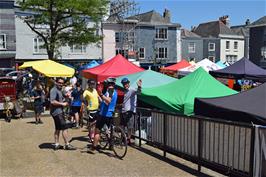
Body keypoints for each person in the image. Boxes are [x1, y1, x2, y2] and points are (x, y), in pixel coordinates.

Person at [50, 77, 76, 150]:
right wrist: (62, 104)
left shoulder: (59, 90)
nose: (61, 84)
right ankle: (67, 144)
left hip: (58, 112)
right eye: (59, 83)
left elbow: (62, 96)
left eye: (62, 83)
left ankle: (56, 144)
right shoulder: (54, 90)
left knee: (58, 128)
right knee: (64, 127)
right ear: (56, 82)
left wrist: (67, 95)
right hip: (57, 112)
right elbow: (52, 101)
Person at [91, 77, 118, 150]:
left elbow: (108, 101)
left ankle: (94, 147)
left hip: (104, 114)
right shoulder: (115, 91)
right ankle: (111, 144)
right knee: (108, 130)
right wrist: (100, 96)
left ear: (108, 83)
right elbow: (106, 101)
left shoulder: (110, 91)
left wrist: (101, 94)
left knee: (97, 131)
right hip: (110, 113)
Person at [120, 77, 142, 145]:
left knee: (130, 126)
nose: (125, 85)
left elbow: (138, 93)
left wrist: (139, 86)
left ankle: (128, 139)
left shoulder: (132, 89)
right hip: (123, 111)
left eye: (126, 83)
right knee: (123, 126)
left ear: (129, 83)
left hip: (130, 111)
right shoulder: (124, 91)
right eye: (124, 84)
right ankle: (123, 138)